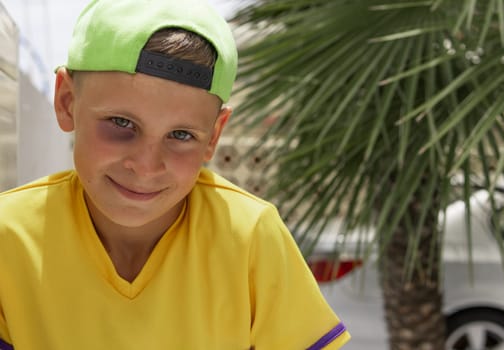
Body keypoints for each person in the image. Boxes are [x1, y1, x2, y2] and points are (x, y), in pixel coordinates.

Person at [0, 0, 350, 349]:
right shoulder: (9, 237)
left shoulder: (250, 237)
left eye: (181, 135)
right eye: (121, 123)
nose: (146, 166)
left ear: (213, 136)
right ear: (66, 101)